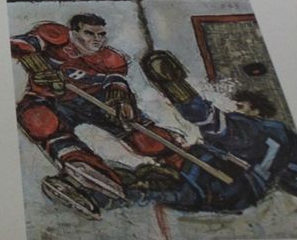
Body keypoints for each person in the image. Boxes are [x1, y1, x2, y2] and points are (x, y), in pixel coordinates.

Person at [12, 13, 186, 218]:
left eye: (101, 34)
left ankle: (180, 159)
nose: (97, 39)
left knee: (143, 137)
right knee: (37, 119)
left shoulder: (111, 58)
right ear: (73, 33)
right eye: (89, 33)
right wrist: (32, 59)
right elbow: (17, 44)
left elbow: (117, 85)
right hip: (49, 99)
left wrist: (122, 101)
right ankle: (81, 163)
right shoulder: (55, 36)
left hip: (92, 100)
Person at [136, 49, 297, 212]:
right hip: (240, 188)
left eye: (240, 106)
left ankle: (149, 190)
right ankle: (150, 188)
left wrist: (176, 87)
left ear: (257, 111)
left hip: (234, 184)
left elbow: (211, 121)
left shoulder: (257, 130)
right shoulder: (278, 140)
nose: (235, 109)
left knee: (216, 139)